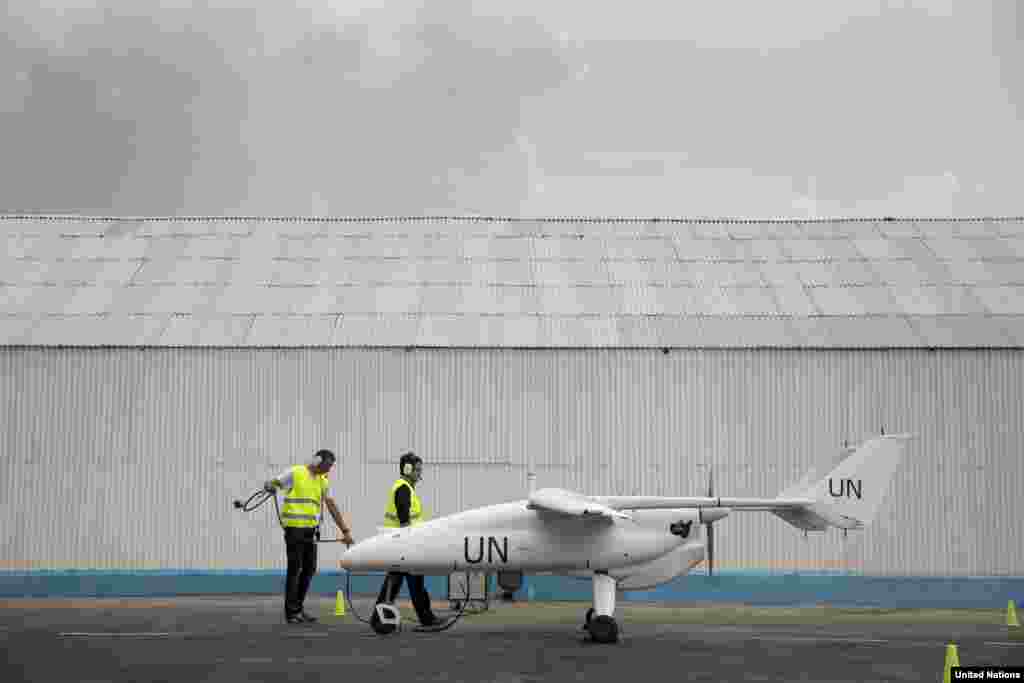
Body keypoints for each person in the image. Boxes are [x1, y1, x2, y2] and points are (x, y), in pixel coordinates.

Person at [263, 448, 354, 624]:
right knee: (295, 569)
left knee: (309, 569)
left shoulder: (322, 481)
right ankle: (291, 612)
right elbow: (274, 483)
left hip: (310, 531)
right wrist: (270, 486)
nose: (328, 470)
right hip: (294, 529)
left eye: (330, 467)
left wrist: (345, 530)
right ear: (317, 460)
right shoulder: (296, 473)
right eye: (326, 465)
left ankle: (298, 608)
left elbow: (331, 505)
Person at [373, 451, 439, 628]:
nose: (420, 474)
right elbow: (404, 519)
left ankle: (380, 619)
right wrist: (410, 542)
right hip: (404, 543)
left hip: (404, 542)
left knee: (398, 582)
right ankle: (425, 618)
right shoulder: (403, 488)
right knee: (408, 582)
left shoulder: (406, 488)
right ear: (407, 469)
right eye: (417, 470)